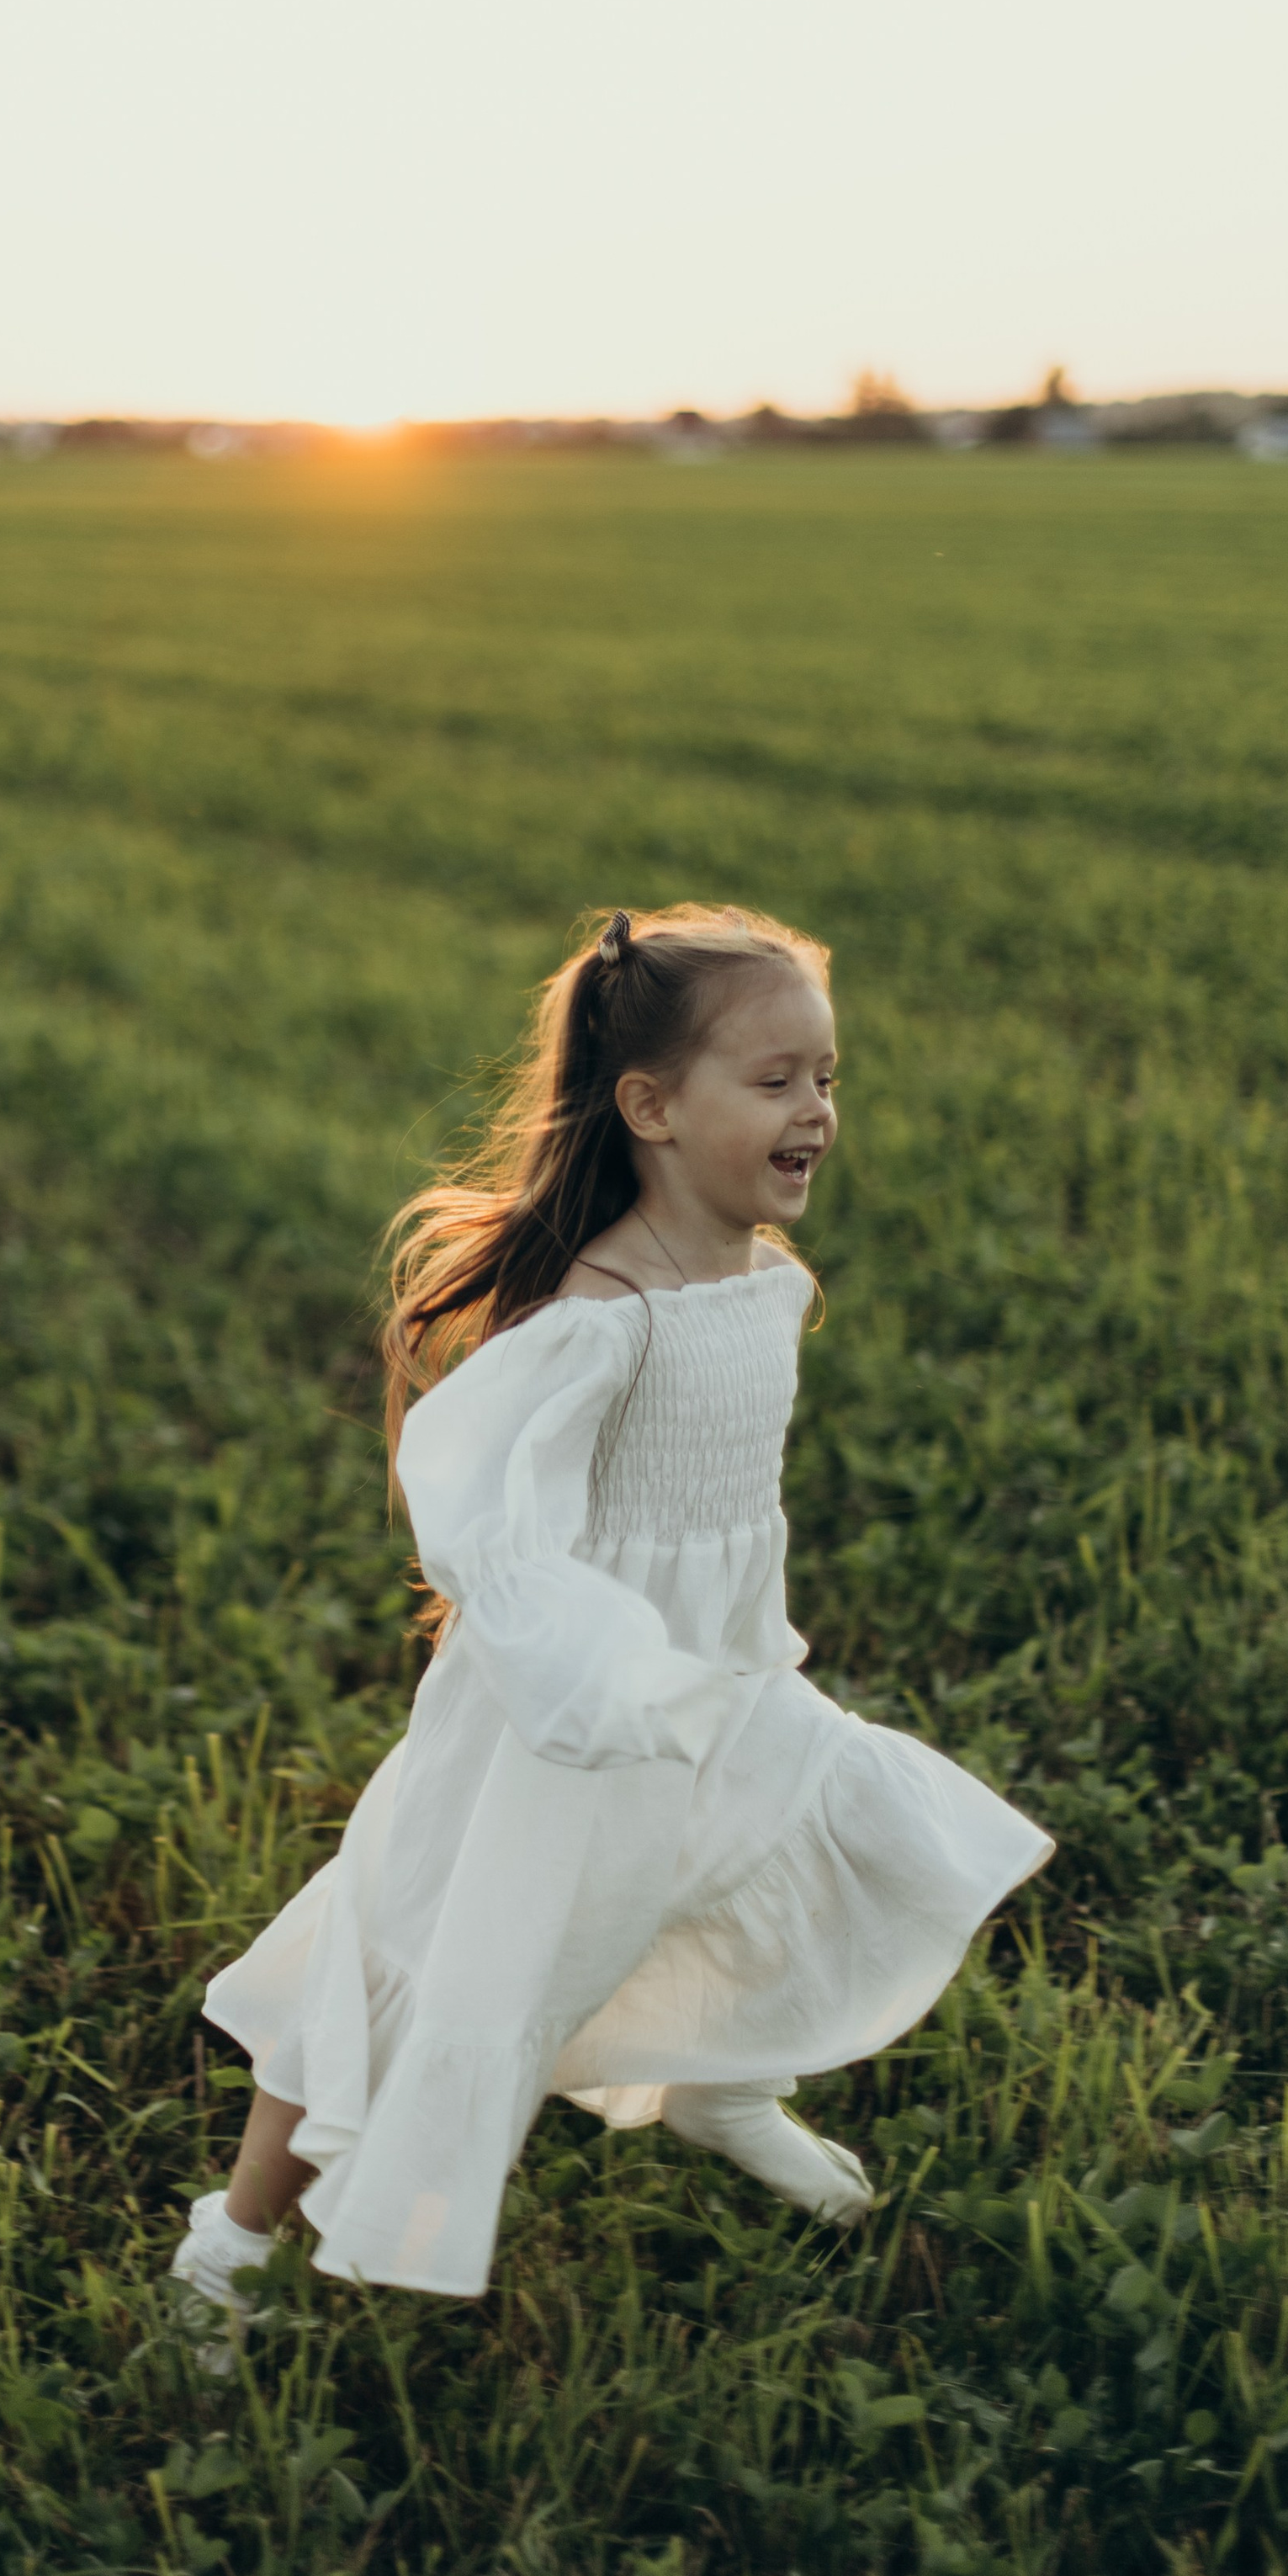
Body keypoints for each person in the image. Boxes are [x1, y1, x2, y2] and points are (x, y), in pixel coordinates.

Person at [171, 902, 1051, 2336]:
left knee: (774, 1851)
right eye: (775, 1082)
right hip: (564, 1715)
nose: (817, 1111)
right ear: (649, 1105)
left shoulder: (767, 1284)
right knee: (421, 1960)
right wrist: (593, 1658)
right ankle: (233, 2248)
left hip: (728, 1679)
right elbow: (474, 1495)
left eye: (828, 1078)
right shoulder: (605, 1315)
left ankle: (718, 2083)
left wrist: (707, 1659)